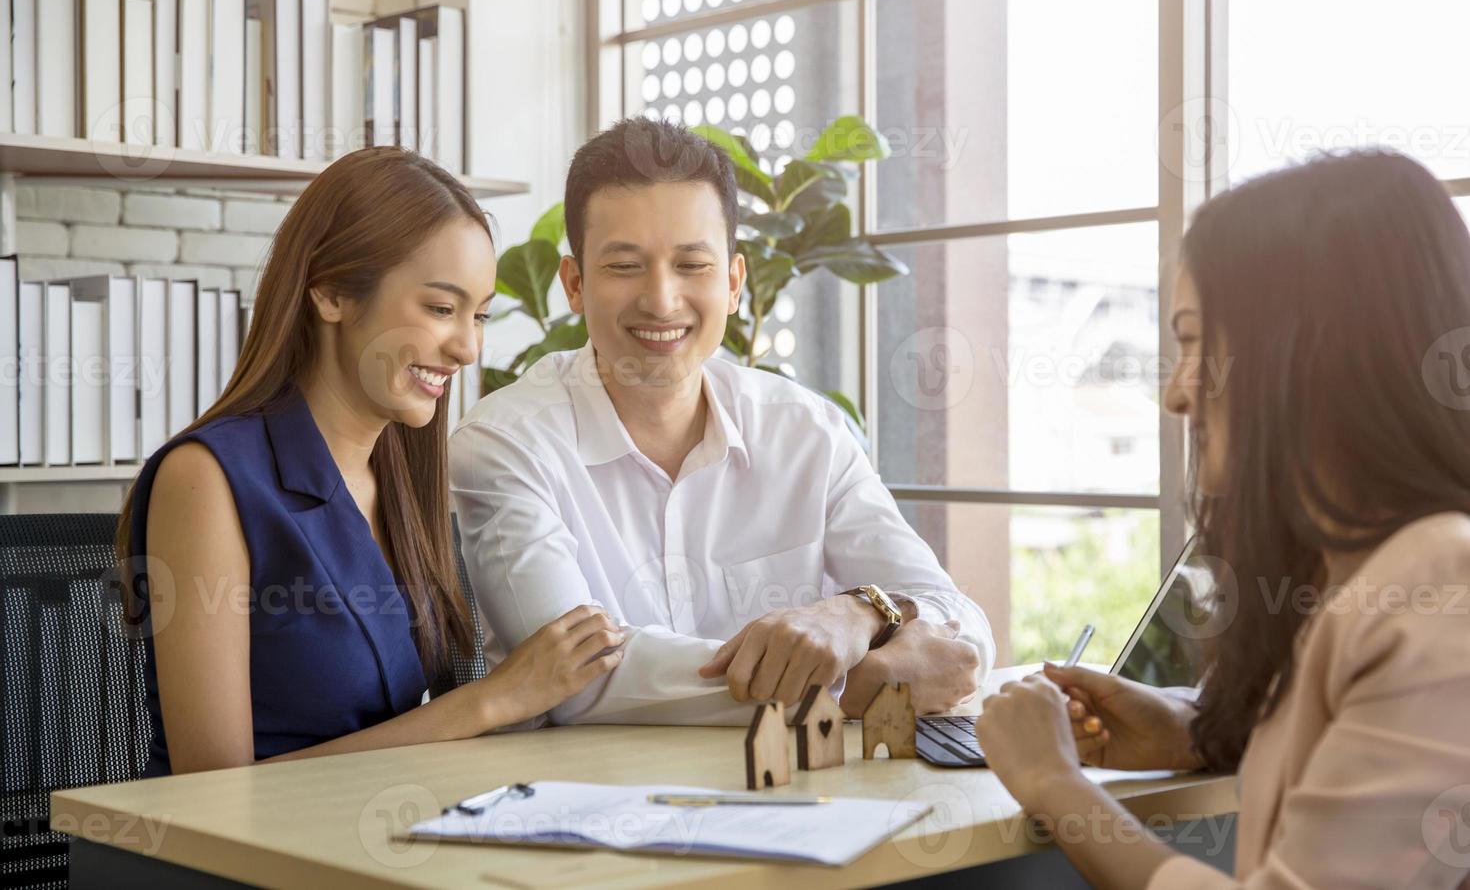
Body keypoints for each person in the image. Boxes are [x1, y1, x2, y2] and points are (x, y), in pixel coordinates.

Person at [974, 149, 1470, 888]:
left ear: (1310, 349)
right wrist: (1196, 734)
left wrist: (1054, 784)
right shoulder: (1359, 572)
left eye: (1194, 342)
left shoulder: (1437, 584)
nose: (1177, 395)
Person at [449, 118, 993, 727]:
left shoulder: (807, 430)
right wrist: (854, 687)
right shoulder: (504, 443)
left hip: (798, 798)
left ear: (734, 283)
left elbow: (955, 625)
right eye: (625, 266)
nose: (661, 299)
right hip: (579, 799)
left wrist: (863, 613)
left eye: (691, 265)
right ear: (574, 285)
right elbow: (577, 683)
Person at [118, 147, 624, 776]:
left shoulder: (402, 478)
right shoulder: (205, 480)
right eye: (441, 309)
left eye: (479, 315)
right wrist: (491, 700)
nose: (467, 347)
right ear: (331, 292)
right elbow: (213, 785)